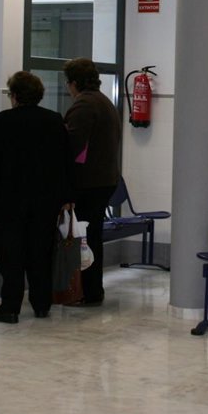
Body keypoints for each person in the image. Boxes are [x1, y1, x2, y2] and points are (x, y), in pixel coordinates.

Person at [0, 72, 73, 323]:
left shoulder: (2, 121)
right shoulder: (53, 120)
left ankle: (10, 306)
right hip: (45, 200)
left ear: (15, 96)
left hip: (7, 201)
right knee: (41, 251)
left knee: (10, 254)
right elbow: (65, 161)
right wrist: (65, 196)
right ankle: (41, 303)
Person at [62, 57, 122, 306]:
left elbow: (71, 146)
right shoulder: (104, 101)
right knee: (92, 236)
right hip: (105, 179)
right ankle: (92, 289)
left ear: (74, 82)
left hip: (89, 183)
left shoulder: (84, 104)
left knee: (84, 238)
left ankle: (87, 291)